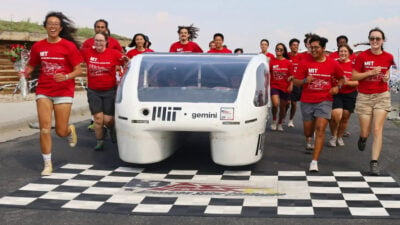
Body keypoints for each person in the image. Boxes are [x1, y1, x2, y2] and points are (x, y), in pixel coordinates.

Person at [24, 12, 83, 176]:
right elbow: (31, 65)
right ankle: (47, 164)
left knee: (60, 131)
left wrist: (66, 76)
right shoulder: (38, 46)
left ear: (60, 27)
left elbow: (78, 70)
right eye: (50, 23)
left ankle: (69, 130)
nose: (53, 26)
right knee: (44, 129)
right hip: (44, 90)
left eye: (56, 24)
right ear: (45, 26)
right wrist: (24, 72)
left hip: (64, 91)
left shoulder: (68, 46)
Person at [294, 35, 344, 172]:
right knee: (308, 131)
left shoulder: (332, 63)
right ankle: (309, 139)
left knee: (321, 129)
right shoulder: (304, 61)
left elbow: (342, 78)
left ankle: (314, 161)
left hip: (325, 99)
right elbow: (295, 81)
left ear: (323, 48)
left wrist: (337, 88)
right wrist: (305, 81)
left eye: (316, 47)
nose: (313, 50)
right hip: (307, 100)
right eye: (311, 47)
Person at [352, 27, 395, 175]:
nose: (375, 41)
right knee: (366, 130)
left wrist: (386, 77)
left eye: (378, 38)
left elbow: (389, 70)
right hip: (364, 96)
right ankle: (363, 138)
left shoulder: (389, 56)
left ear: (383, 40)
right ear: (369, 40)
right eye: (372, 38)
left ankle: (374, 162)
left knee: (377, 129)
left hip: (382, 95)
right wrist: (370, 72)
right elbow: (354, 76)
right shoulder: (362, 56)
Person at [81, 32, 126, 151]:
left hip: (109, 91)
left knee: (108, 120)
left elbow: (127, 63)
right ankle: (100, 141)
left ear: (106, 42)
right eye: (96, 40)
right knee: (98, 118)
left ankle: (111, 129)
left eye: (101, 41)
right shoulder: (88, 52)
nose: (98, 43)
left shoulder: (114, 53)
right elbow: (73, 57)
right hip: (93, 90)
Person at [328, 44, 358, 147]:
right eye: (341, 51)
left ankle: (340, 136)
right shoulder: (334, 63)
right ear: (338, 52)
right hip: (337, 93)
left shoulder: (354, 65)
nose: (343, 53)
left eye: (345, 51)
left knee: (345, 117)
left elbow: (358, 82)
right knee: (336, 115)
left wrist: (347, 82)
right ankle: (333, 136)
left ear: (349, 53)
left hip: (350, 94)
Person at [269, 43, 293, 131]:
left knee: (283, 107)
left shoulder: (288, 62)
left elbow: (291, 76)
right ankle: (274, 120)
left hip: (285, 87)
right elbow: (268, 74)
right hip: (274, 86)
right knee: (275, 104)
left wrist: (291, 86)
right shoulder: (272, 62)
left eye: (281, 49)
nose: (279, 51)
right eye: (277, 49)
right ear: (275, 50)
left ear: (284, 51)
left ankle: (280, 123)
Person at [286, 38, 301, 128]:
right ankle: (283, 116)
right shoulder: (286, 55)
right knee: (287, 103)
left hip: (296, 83)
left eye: (297, 45)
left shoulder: (301, 57)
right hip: (287, 83)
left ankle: (291, 120)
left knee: (294, 103)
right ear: (290, 46)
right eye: (294, 45)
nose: (295, 47)